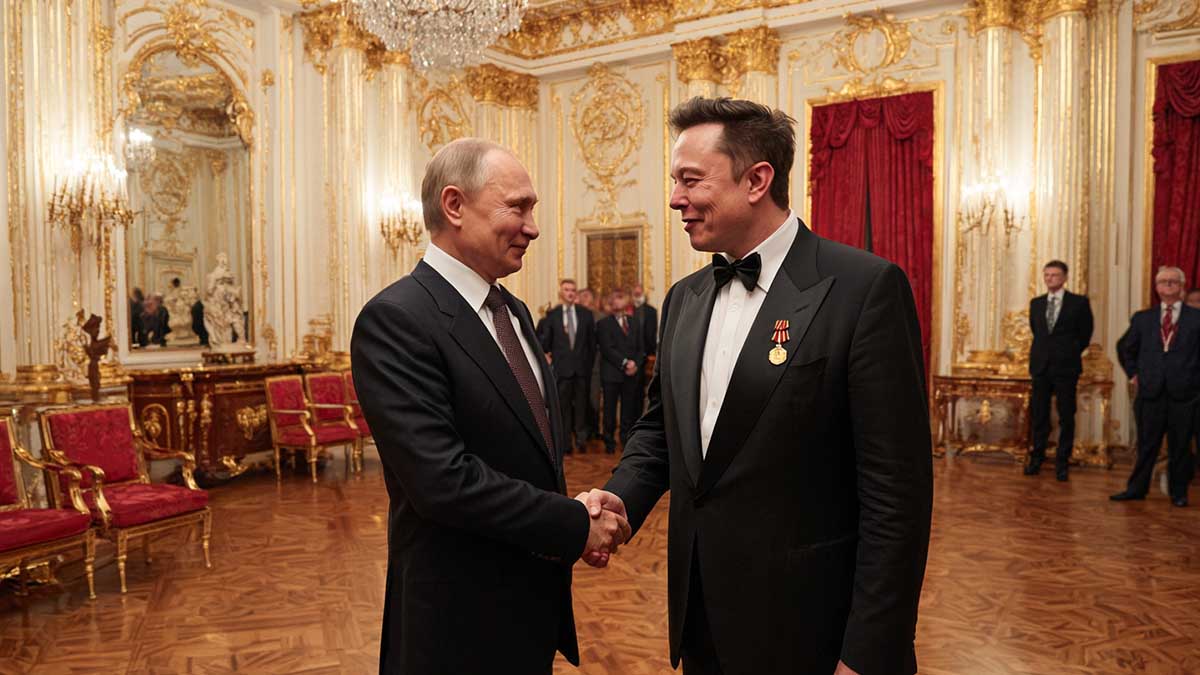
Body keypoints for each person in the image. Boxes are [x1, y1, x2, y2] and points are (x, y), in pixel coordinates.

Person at [579, 97, 932, 675]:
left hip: (811, 629)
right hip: (701, 618)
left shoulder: (864, 290)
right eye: (675, 181)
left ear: (756, 181)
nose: (674, 199)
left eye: (691, 180)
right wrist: (620, 500)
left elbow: (897, 495)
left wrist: (870, 650)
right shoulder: (685, 299)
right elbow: (662, 431)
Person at [350, 138, 630, 673]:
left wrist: (572, 523)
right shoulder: (396, 319)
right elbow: (442, 481)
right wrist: (573, 523)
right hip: (456, 624)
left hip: (529, 610)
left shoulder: (512, 309)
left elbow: (526, 448)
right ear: (454, 205)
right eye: (517, 207)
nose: (533, 227)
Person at [1112, 266, 1200, 508]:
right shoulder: (1143, 318)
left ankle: (1178, 493)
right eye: (1163, 281)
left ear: (1182, 286)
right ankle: (1136, 489)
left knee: (1180, 447)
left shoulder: (1196, 318)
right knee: (1147, 444)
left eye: (1173, 281)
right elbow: (1126, 348)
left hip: (1185, 394)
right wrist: (1133, 373)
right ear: (1157, 287)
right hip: (1151, 393)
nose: (1168, 285)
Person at [1025, 260, 1094, 481]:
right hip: (1040, 366)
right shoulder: (1036, 303)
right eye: (1046, 275)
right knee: (1039, 415)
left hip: (1066, 367)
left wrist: (1068, 352)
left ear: (1064, 278)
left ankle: (1062, 462)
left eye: (1054, 275)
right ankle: (1037, 458)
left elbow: (1085, 334)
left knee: (1066, 415)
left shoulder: (1079, 303)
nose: (1050, 279)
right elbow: (1037, 331)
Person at [539, 278, 596, 454]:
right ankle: (565, 444)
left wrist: (588, 366)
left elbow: (592, 344)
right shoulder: (553, 315)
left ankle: (581, 440)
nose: (570, 293)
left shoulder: (586, 314)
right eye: (566, 290)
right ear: (561, 293)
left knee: (581, 407)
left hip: (582, 370)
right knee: (563, 408)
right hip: (562, 370)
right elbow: (545, 342)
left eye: (572, 290)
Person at [596, 287, 645, 454]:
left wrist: (635, 364)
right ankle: (609, 441)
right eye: (615, 298)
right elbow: (607, 349)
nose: (617, 301)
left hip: (631, 374)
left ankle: (626, 440)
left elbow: (641, 348)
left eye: (620, 298)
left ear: (626, 302)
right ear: (610, 303)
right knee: (609, 410)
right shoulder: (603, 324)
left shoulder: (634, 322)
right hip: (612, 374)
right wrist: (625, 363)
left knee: (628, 410)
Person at [632, 283, 659, 368]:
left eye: (639, 294)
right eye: (635, 294)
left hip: (646, 353)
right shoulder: (627, 309)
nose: (637, 296)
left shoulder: (651, 311)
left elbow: (652, 333)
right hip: (630, 352)